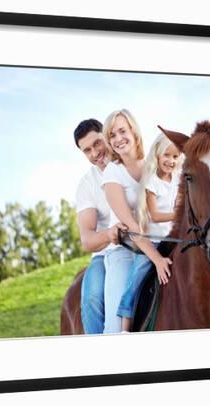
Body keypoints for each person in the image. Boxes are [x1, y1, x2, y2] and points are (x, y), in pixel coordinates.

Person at [101, 109, 172, 334]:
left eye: (122, 131)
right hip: (126, 249)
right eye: (112, 135)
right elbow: (132, 226)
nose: (118, 139)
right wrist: (158, 260)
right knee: (114, 327)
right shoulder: (112, 173)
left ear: (134, 131)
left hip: (161, 240)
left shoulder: (153, 163)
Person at [117, 133, 182, 332]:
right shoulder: (152, 182)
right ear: (157, 156)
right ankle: (125, 327)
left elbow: (180, 204)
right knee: (135, 279)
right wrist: (178, 215)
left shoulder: (177, 181)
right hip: (153, 242)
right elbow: (154, 215)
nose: (171, 161)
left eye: (175, 157)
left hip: (172, 239)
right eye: (167, 156)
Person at [74, 118, 126, 334]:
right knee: (92, 296)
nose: (94, 153)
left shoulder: (129, 161)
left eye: (97, 143)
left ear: (106, 136)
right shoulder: (87, 184)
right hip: (105, 254)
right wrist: (111, 234)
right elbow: (87, 239)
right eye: (87, 150)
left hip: (143, 241)